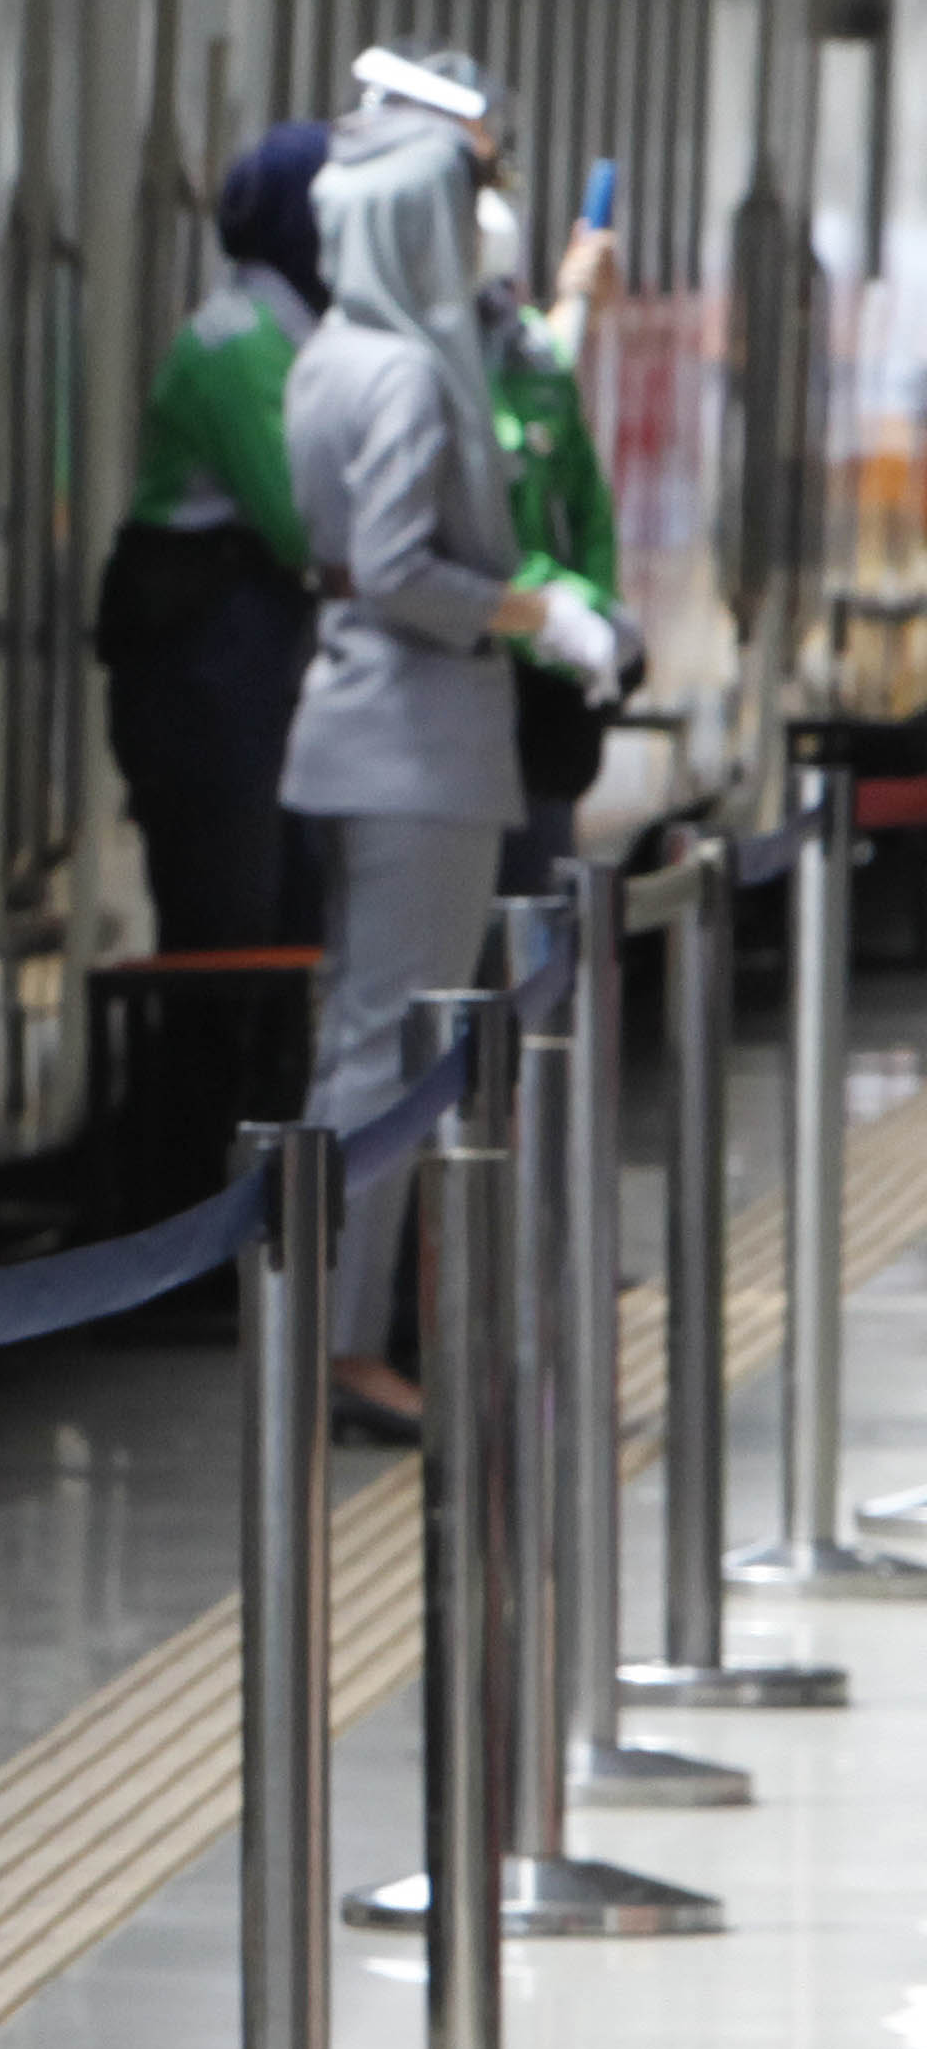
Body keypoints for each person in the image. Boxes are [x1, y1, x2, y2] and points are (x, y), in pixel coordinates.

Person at [283, 89, 609, 1440]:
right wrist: (540, 613)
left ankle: (324, 1323)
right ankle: (345, 1345)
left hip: (347, 730)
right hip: (421, 740)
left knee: (353, 1045)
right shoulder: (417, 374)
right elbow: (411, 569)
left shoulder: (329, 355)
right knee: (390, 1053)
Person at [102, 119, 334, 952]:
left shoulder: (273, 338)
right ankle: (221, 1083)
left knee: (272, 901)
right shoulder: (241, 348)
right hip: (207, 670)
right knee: (229, 913)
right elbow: (301, 524)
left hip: (235, 660)